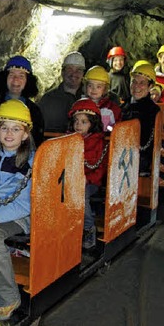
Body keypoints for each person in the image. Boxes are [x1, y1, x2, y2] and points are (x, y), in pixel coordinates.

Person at [0, 99, 36, 326]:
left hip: (19, 215)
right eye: (4, 127)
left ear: (25, 134)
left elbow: (25, 203)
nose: (9, 133)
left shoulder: (32, 161)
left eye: (16, 128)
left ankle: (7, 298)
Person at [67, 98, 108, 250]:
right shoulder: (67, 139)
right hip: (69, 180)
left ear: (92, 123)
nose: (78, 125)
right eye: (76, 121)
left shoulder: (97, 142)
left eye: (84, 122)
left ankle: (89, 227)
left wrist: (86, 179)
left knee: (80, 193)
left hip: (90, 182)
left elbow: (98, 168)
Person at [0, 55, 44, 146]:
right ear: (4, 78)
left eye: (21, 76)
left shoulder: (35, 111)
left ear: (28, 81)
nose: (16, 80)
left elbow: (36, 141)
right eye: (11, 75)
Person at [121, 60, 161, 175]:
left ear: (150, 87)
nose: (137, 86)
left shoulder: (153, 111)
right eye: (134, 81)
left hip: (140, 160)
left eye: (142, 82)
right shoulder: (123, 106)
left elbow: (148, 144)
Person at [38, 51, 85, 133]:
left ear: (83, 74)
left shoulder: (91, 97)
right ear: (62, 72)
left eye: (79, 70)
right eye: (70, 69)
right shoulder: (48, 99)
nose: (74, 74)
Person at [83, 65, 122, 132]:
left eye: (98, 87)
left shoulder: (112, 109)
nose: (94, 89)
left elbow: (117, 130)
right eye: (90, 85)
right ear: (85, 86)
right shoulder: (80, 106)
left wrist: (108, 129)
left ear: (105, 89)